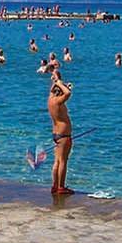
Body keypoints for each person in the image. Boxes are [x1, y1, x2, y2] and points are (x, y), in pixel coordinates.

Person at [47, 63, 74, 197]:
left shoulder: (50, 100)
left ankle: (55, 185)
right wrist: (60, 83)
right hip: (64, 135)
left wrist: (57, 81)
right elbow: (68, 93)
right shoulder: (58, 102)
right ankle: (61, 187)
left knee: (57, 161)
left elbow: (53, 90)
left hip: (56, 134)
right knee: (63, 161)